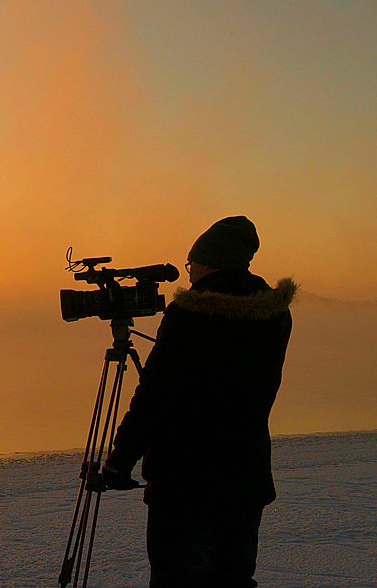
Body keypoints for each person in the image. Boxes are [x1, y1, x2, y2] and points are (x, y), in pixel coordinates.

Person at [103, 216, 296, 588]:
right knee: (234, 580)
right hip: (245, 477)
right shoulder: (275, 314)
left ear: (209, 263)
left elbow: (154, 397)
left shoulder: (191, 313)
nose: (189, 274)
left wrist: (119, 461)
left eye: (192, 265)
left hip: (185, 483)